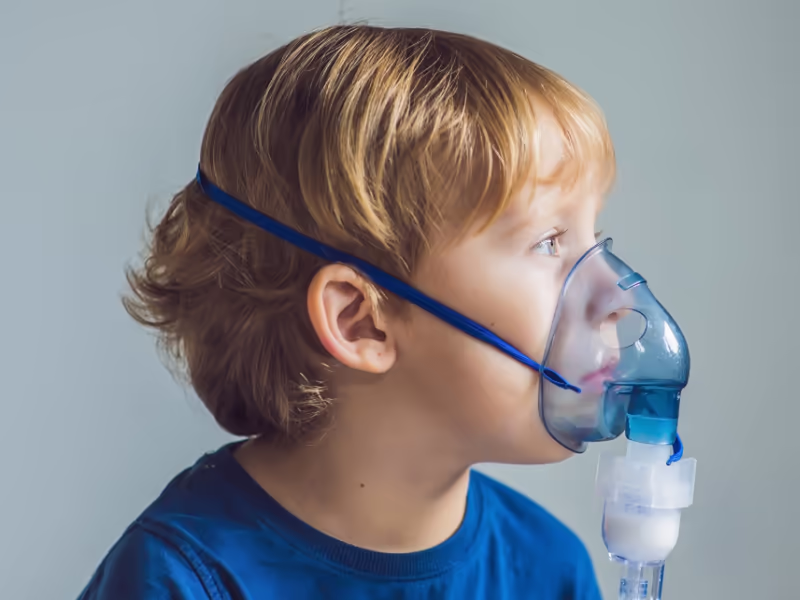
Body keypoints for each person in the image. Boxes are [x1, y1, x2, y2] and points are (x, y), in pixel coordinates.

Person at [79, 24, 615, 599]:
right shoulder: (181, 582)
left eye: (594, 239)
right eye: (549, 242)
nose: (611, 293)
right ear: (360, 319)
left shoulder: (549, 571)